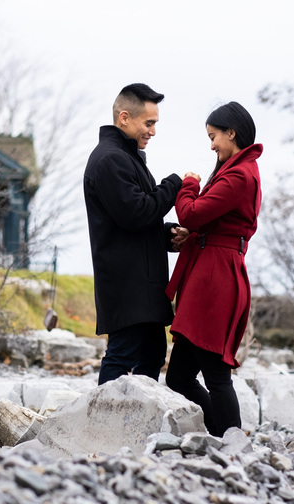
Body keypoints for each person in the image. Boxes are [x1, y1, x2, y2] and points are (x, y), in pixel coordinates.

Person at [164, 101, 262, 436]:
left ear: (231, 133)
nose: (211, 145)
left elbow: (191, 213)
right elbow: (206, 221)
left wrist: (188, 185)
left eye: (214, 136)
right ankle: (224, 433)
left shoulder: (239, 175)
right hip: (210, 271)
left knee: (216, 375)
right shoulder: (236, 170)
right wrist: (194, 232)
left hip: (215, 279)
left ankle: (231, 441)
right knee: (178, 377)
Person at [84, 83, 188, 385]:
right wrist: (174, 184)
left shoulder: (126, 157)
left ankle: (139, 423)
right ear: (125, 118)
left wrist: (170, 234)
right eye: (149, 123)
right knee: (122, 354)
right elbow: (136, 213)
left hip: (142, 285)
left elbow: (138, 218)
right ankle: (103, 424)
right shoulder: (109, 159)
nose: (153, 131)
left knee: (153, 354)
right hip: (127, 285)